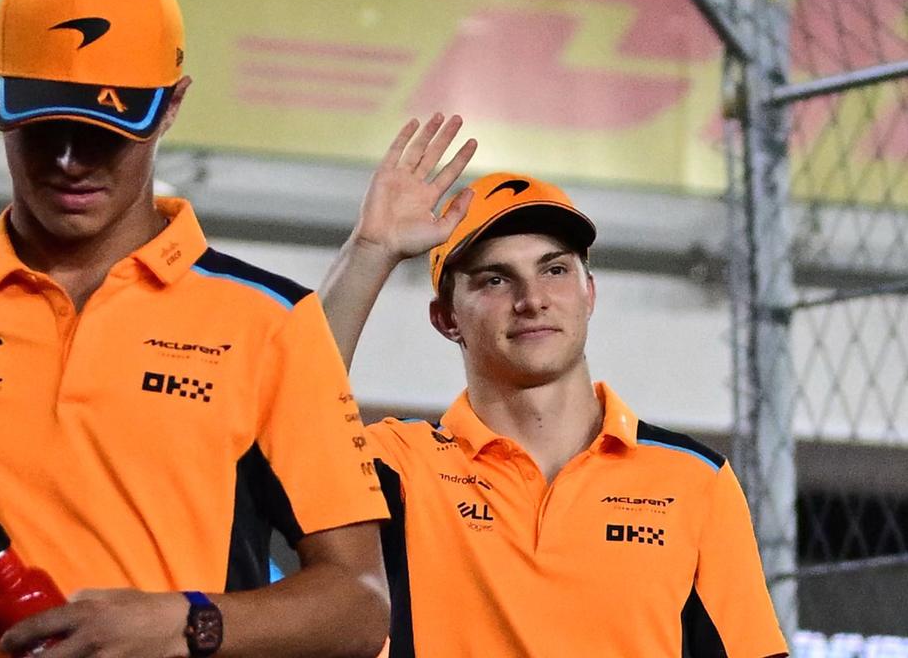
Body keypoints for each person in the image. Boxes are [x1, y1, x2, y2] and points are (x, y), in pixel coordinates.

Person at [0, 0, 389, 657]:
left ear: (172, 104)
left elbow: (360, 606)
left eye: (106, 132)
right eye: (45, 127)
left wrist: (181, 624)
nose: (71, 161)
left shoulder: (271, 323)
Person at [321, 115, 790, 657]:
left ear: (590, 293)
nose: (532, 298)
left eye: (555, 270)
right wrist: (370, 249)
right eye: (495, 279)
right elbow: (295, 414)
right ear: (446, 317)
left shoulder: (694, 480)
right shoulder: (403, 467)